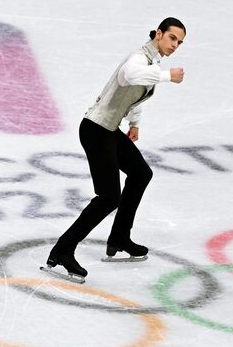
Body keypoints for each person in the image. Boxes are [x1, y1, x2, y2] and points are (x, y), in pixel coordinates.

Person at [44, 18, 186, 282]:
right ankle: (63, 250)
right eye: (172, 38)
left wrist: (134, 123)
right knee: (108, 197)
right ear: (158, 34)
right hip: (96, 129)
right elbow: (129, 76)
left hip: (109, 130)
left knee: (141, 173)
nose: (175, 45)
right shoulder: (138, 58)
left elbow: (135, 92)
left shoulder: (151, 62)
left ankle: (119, 237)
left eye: (179, 42)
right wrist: (168, 77)